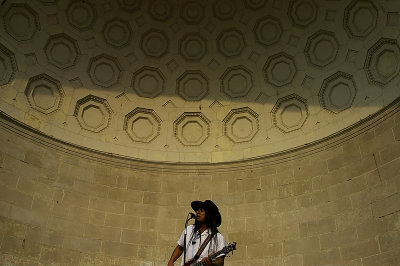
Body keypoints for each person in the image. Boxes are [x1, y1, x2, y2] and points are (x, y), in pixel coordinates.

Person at [167, 200, 225, 266]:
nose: (197, 212)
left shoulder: (218, 237)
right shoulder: (189, 229)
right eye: (197, 210)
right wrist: (171, 261)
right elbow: (180, 247)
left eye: (201, 210)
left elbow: (220, 261)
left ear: (209, 215)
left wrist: (211, 263)